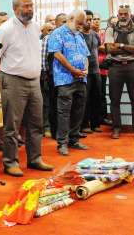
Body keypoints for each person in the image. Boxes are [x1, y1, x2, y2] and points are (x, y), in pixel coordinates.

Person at [0, 0, 53, 177]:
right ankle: (10, 162)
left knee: (36, 123)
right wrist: (10, 69)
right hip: (13, 80)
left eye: (31, 5)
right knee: (12, 125)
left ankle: (35, 159)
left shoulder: (35, 27)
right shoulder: (5, 29)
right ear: (15, 9)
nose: (30, 9)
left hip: (34, 81)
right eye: (26, 6)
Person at [48, 9, 90, 156]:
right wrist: (72, 70)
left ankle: (74, 139)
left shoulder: (79, 35)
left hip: (81, 78)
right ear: (70, 19)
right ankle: (62, 143)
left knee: (79, 110)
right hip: (65, 79)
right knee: (64, 112)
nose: (81, 26)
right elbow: (57, 54)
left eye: (82, 23)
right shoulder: (57, 33)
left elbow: (85, 55)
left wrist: (85, 69)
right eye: (79, 23)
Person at [105, 5, 134, 140]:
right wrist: (130, 49)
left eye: (125, 14)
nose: (122, 16)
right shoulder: (110, 29)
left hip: (131, 66)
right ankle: (116, 128)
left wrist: (121, 46)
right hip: (115, 67)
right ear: (117, 14)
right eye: (120, 14)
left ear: (130, 14)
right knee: (114, 100)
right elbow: (110, 49)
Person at [80, 10, 103, 134]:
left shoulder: (95, 34)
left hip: (96, 71)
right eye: (86, 20)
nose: (89, 22)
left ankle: (96, 124)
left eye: (91, 19)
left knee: (97, 97)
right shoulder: (78, 35)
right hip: (85, 72)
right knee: (85, 99)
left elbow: (98, 47)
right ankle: (85, 125)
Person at [97, 15, 118, 126]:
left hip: (112, 68)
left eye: (116, 22)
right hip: (100, 67)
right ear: (108, 24)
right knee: (100, 94)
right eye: (112, 22)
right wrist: (113, 48)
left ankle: (104, 117)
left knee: (107, 94)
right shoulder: (102, 34)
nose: (114, 24)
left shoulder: (119, 34)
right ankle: (100, 118)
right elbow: (100, 47)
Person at [40, 22, 55, 138]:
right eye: (49, 30)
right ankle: (45, 127)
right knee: (45, 103)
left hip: (52, 75)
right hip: (45, 75)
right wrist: (46, 75)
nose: (51, 33)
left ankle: (48, 126)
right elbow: (44, 61)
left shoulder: (53, 39)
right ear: (43, 31)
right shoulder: (45, 39)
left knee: (50, 102)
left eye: (52, 30)